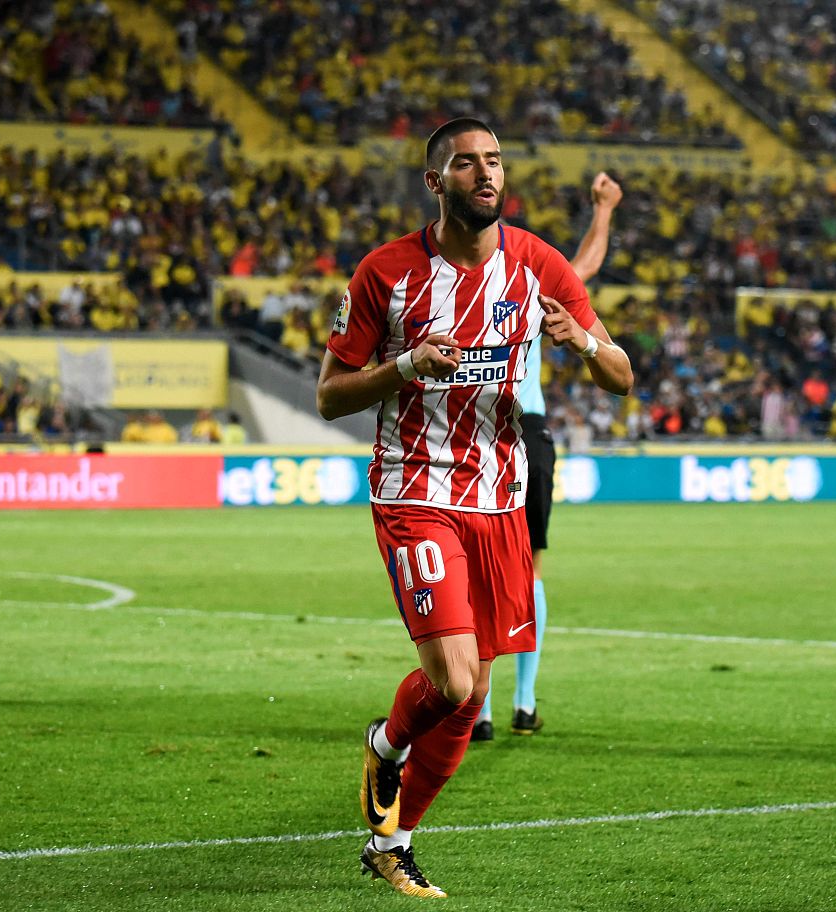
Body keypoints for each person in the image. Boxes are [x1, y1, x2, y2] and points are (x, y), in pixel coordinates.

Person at [316, 118, 632, 898]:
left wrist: (582, 344)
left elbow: (622, 374)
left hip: (501, 500)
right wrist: (403, 366)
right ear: (437, 183)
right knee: (454, 682)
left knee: (475, 695)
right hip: (416, 488)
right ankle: (387, 743)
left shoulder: (537, 265)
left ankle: (392, 842)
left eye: (495, 160)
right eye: (467, 163)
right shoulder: (385, 274)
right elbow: (329, 395)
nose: (485, 174)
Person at [472, 171, 623, 743]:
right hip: (525, 430)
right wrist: (605, 210)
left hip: (467, 434)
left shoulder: (446, 283)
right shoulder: (527, 278)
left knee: (474, 564)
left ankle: (478, 710)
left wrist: (605, 209)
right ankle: (523, 702)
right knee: (527, 565)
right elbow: (584, 265)